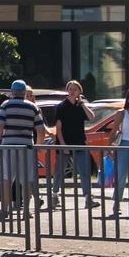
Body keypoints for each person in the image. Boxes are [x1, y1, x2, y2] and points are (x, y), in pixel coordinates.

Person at [90, 88, 129, 218]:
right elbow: (113, 131)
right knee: (121, 175)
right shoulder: (122, 113)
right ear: (128, 99)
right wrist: (108, 147)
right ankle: (116, 203)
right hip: (124, 144)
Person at [0, 79, 47, 217]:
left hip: (8, 146)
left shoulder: (5, 105)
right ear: (24, 92)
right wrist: (38, 146)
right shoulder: (32, 107)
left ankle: (5, 209)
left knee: (6, 178)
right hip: (26, 146)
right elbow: (41, 129)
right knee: (26, 179)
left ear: (12, 91)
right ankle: (26, 211)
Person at [50, 80, 98, 211]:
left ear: (79, 92)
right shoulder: (61, 107)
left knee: (84, 171)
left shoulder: (80, 106)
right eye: (70, 89)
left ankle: (88, 198)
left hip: (79, 143)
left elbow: (91, 117)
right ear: (67, 91)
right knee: (59, 171)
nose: (72, 91)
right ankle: (54, 195)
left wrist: (82, 103)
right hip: (64, 143)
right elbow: (58, 128)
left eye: (75, 89)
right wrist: (63, 145)